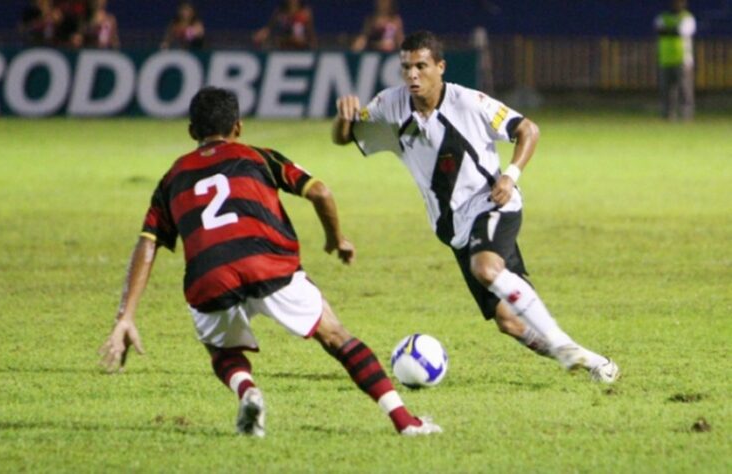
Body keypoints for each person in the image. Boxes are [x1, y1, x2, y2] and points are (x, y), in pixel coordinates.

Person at [98, 87, 441, 438]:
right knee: (337, 336)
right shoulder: (259, 157)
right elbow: (320, 192)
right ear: (239, 127)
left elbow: (147, 244)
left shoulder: (172, 178)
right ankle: (405, 422)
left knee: (220, 349)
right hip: (270, 266)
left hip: (210, 277)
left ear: (191, 132)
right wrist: (335, 240)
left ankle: (247, 391)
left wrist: (126, 316)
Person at [332, 31, 620, 383]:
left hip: (493, 204)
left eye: (421, 66)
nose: (412, 75)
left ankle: (560, 343)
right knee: (510, 322)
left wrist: (510, 175)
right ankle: (594, 362)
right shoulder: (390, 104)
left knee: (486, 268)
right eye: (406, 67)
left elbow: (529, 130)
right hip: (455, 230)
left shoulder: (469, 103)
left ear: (440, 67)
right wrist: (343, 117)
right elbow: (346, 137)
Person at [654, 0, 696, 121]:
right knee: (666, 90)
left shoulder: (687, 18)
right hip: (665, 59)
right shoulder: (663, 16)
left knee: (685, 89)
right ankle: (667, 115)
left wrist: (668, 31)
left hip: (682, 59)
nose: (677, 4)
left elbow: (681, 32)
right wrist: (672, 31)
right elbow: (659, 30)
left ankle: (686, 115)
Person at [252, 0, 317, 50]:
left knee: (298, 37)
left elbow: (310, 33)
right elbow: (269, 27)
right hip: (282, 44)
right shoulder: (280, 11)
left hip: (300, 46)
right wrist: (261, 34)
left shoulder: (305, 12)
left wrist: (312, 43)